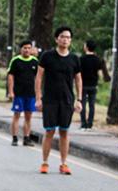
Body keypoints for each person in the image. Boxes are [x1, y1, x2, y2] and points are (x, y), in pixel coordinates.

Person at [35, 27, 83, 175]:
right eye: (62, 37)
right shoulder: (47, 56)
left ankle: (64, 163)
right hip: (50, 99)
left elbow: (78, 79)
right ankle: (45, 162)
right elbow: (39, 77)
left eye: (68, 37)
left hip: (67, 100)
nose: (65, 40)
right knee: (49, 131)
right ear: (56, 39)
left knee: (64, 131)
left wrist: (79, 99)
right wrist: (38, 98)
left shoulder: (74, 58)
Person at [8, 41, 38, 147]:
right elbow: (10, 76)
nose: (27, 50)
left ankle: (26, 138)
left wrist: (38, 94)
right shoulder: (15, 60)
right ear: (21, 49)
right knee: (16, 115)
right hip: (18, 93)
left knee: (28, 116)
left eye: (29, 48)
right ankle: (15, 138)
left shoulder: (35, 61)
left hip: (31, 94)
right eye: (24, 48)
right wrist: (11, 92)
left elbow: (38, 78)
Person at [78, 40, 109, 130]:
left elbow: (78, 73)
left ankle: (83, 123)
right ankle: (90, 123)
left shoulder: (81, 59)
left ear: (86, 47)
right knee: (92, 105)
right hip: (93, 85)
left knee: (82, 104)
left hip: (83, 85)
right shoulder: (98, 59)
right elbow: (101, 73)